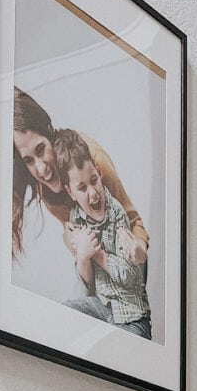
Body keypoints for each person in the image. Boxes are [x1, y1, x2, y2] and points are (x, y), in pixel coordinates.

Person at [11, 88, 148, 262]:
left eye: (41, 149)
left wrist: (139, 248)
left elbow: (134, 220)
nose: (42, 168)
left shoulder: (94, 160)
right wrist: (68, 239)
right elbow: (71, 226)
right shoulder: (42, 184)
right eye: (29, 160)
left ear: (48, 131)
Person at [53, 129, 152, 340]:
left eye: (94, 180)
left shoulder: (116, 213)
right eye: (81, 188)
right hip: (102, 305)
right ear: (70, 192)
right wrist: (83, 257)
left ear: (98, 172)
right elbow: (88, 286)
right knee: (62, 313)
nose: (93, 192)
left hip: (130, 315)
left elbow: (129, 275)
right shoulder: (76, 217)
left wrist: (97, 255)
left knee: (114, 346)